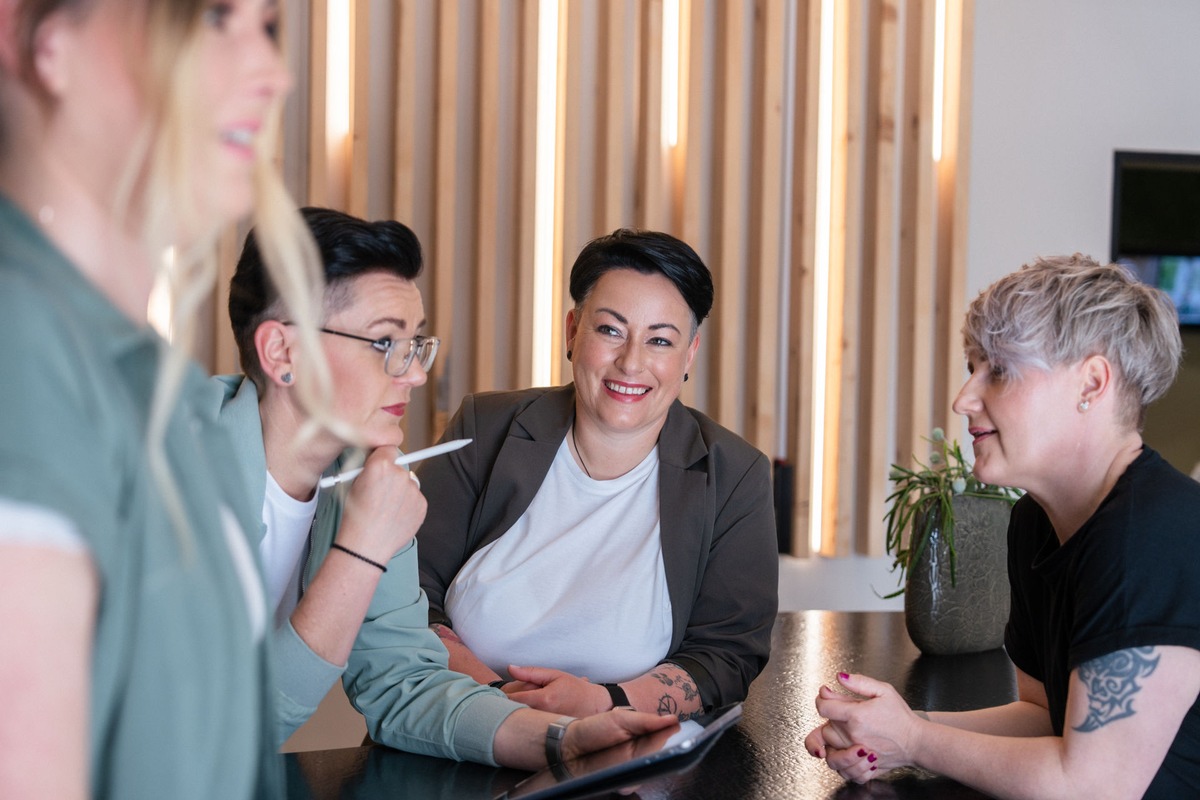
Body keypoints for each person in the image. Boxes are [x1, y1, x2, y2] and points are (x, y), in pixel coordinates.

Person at [0, 1, 330, 797]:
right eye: (214, 17)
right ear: (41, 39)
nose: (272, 72)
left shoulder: (175, 396)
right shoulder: (20, 346)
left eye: (268, 26)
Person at [222, 207, 677, 767]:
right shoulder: (167, 473)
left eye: (416, 344)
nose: (414, 374)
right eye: (384, 343)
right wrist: (360, 550)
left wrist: (559, 738)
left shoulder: (367, 482)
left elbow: (403, 683)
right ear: (282, 352)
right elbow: (222, 727)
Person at [805, 255, 1200, 798]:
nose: (964, 398)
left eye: (999, 371)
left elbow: (1093, 786)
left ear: (1092, 382)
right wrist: (893, 731)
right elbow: (1044, 718)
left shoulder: (1152, 537)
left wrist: (916, 740)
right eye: (973, 368)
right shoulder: (1034, 522)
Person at [416, 228, 779, 720]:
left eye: (659, 340)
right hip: (457, 728)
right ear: (572, 331)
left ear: (688, 356)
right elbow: (407, 592)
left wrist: (607, 702)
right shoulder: (485, 429)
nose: (631, 362)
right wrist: (498, 702)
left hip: (624, 758)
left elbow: (728, 654)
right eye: (610, 330)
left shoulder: (735, 476)